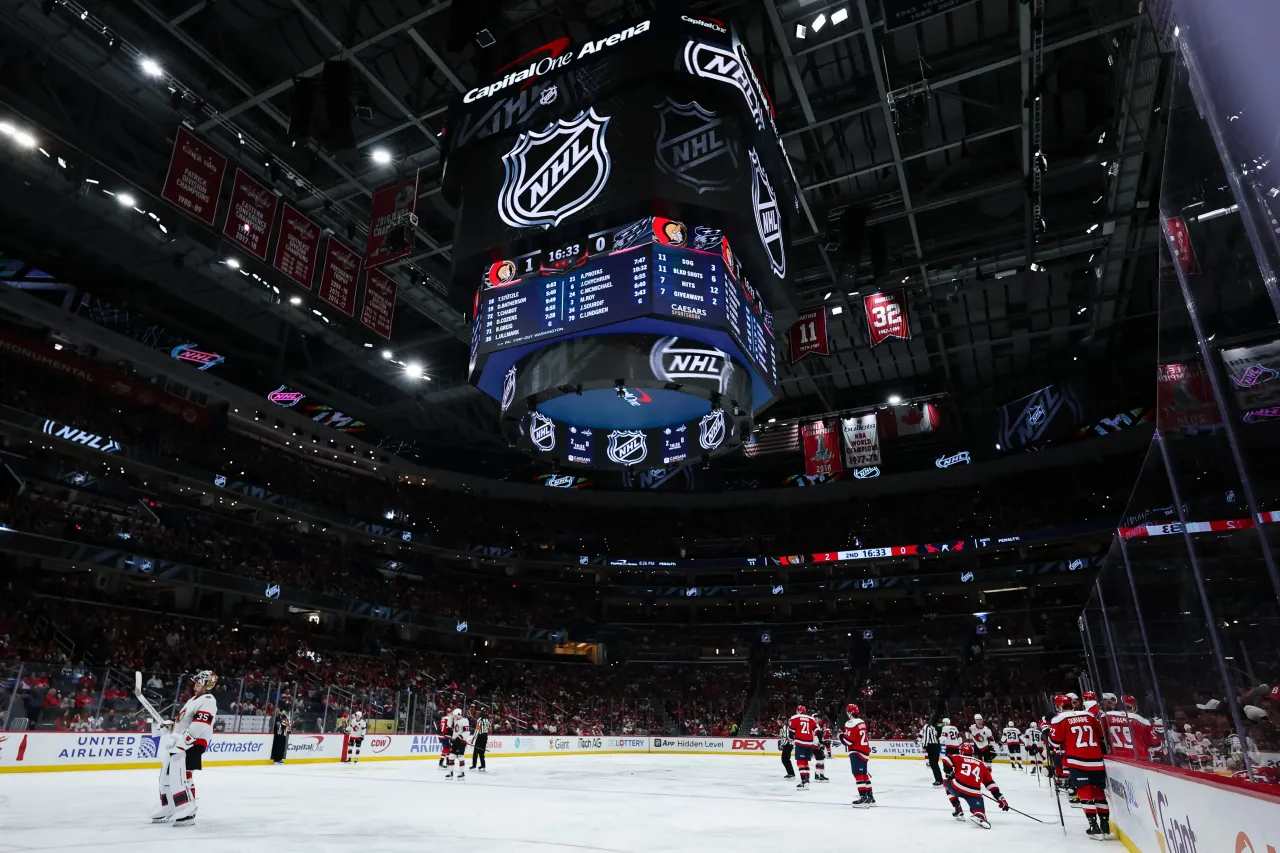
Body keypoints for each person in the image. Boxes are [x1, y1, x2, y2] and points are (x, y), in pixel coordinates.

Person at [151, 670, 217, 826]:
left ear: (207, 685)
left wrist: (182, 743)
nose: (195, 686)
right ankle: (169, 807)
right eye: (196, 683)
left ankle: (188, 809)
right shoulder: (193, 700)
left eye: (199, 683)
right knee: (166, 776)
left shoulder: (208, 700)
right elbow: (182, 722)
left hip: (193, 743)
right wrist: (170, 727)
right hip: (179, 743)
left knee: (183, 776)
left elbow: (199, 726)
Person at [1050, 690, 1111, 839]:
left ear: (1058, 707)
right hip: (1096, 760)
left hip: (1077, 761)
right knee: (1098, 792)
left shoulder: (1059, 719)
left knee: (1085, 793)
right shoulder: (1088, 715)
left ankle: (1094, 826)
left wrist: (1048, 733)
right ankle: (1105, 824)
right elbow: (1102, 734)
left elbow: (1055, 742)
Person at [941, 742, 1010, 829]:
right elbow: (990, 784)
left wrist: (949, 772)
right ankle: (980, 816)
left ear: (961, 752)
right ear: (972, 753)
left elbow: (946, 759)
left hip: (957, 786)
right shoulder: (981, 764)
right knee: (979, 812)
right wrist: (1000, 798)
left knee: (946, 783)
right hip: (974, 792)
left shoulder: (959, 757)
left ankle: (957, 808)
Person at [842, 703, 875, 808]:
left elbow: (848, 741)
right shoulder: (861, 722)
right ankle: (870, 798)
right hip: (864, 751)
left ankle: (863, 798)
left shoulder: (850, 723)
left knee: (858, 775)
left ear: (850, 712)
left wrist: (840, 735)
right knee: (864, 774)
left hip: (857, 751)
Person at [787, 704, 819, 789]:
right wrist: (819, 742)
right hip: (810, 743)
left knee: (800, 762)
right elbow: (817, 731)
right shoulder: (811, 719)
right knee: (805, 762)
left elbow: (791, 732)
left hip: (800, 742)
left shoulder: (795, 718)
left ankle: (804, 781)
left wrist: (791, 739)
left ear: (798, 711)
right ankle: (806, 781)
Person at [446, 708, 470, 780]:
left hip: (461, 742)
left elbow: (467, 732)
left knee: (460, 756)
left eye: (455, 716)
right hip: (455, 742)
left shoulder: (465, 721)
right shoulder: (456, 720)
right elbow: (449, 725)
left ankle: (462, 773)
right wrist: (450, 716)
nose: (455, 717)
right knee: (451, 756)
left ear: (459, 714)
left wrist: (460, 737)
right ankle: (450, 772)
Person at [919, 717, 943, 786]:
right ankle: (939, 779)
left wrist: (924, 747)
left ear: (924, 721)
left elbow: (926, 738)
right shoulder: (932, 727)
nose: (920, 722)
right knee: (935, 764)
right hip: (936, 746)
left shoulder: (926, 727)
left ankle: (938, 780)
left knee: (933, 764)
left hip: (931, 746)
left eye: (921, 720)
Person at [813, 715, 831, 782]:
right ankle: (817, 775)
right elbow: (817, 736)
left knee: (822, 760)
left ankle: (821, 775)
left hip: (815, 745)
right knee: (820, 760)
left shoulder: (814, 726)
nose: (820, 719)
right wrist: (820, 744)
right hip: (815, 745)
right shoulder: (815, 726)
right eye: (818, 718)